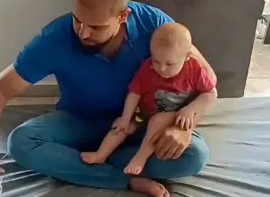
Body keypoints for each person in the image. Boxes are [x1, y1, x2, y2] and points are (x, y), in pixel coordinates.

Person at [0, 0, 217, 197]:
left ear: (123, 16)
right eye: (77, 20)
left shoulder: (156, 24)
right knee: (20, 142)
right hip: (80, 121)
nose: (83, 32)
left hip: (142, 123)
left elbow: (205, 82)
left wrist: (184, 124)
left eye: (96, 26)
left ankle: (90, 162)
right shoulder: (54, 38)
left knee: (195, 155)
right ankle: (126, 178)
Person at [80, 23, 217, 176]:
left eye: (170, 64)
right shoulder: (147, 68)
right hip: (143, 114)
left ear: (187, 57)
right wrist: (125, 119)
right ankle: (100, 155)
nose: (162, 69)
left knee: (158, 122)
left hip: (172, 119)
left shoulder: (194, 70)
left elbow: (210, 93)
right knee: (120, 128)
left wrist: (191, 109)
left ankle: (140, 158)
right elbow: (134, 94)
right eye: (156, 61)